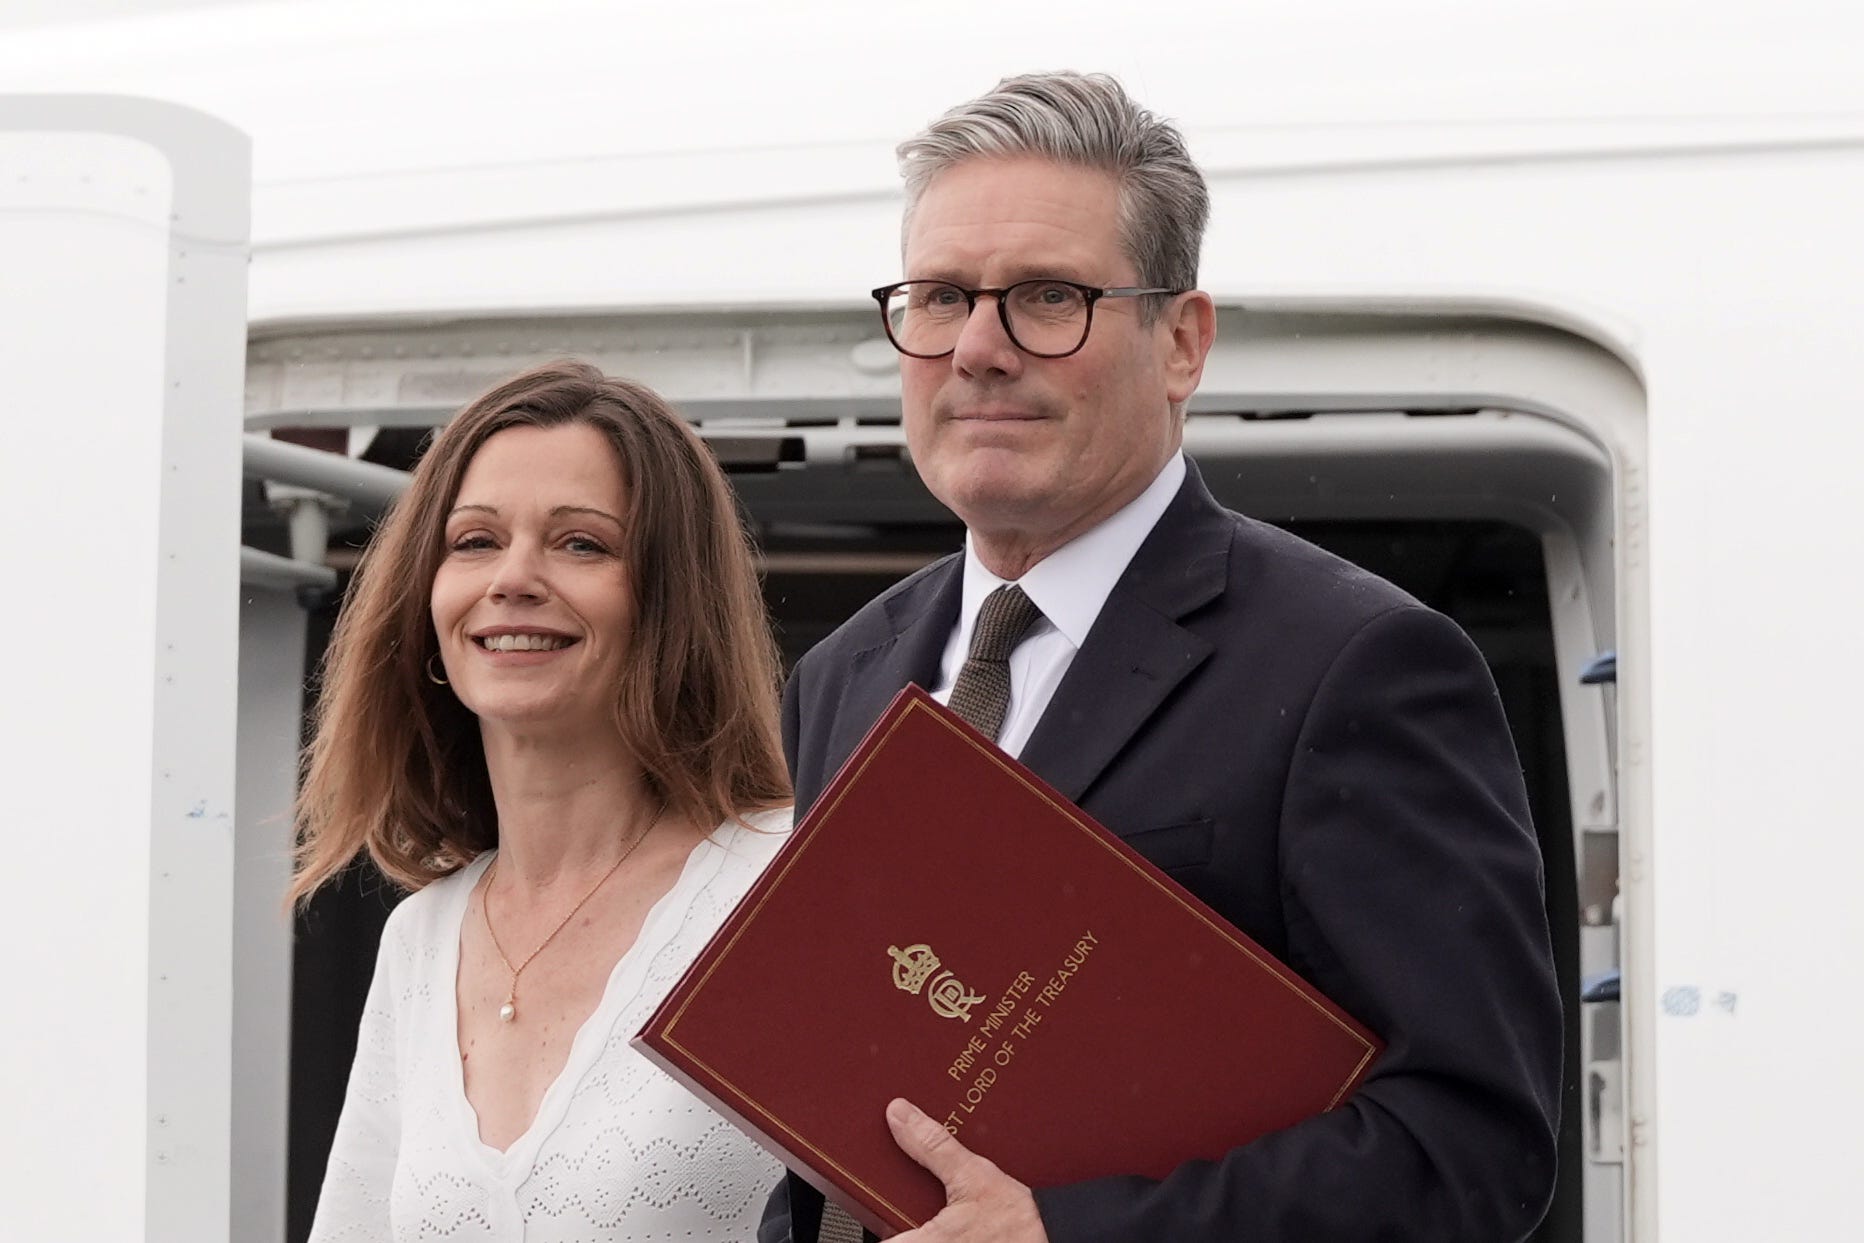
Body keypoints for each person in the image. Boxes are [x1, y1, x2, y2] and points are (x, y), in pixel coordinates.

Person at [763, 73, 1562, 1243]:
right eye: (938, 298)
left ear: (1182, 341)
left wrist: (1061, 1236)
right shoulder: (842, 674)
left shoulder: (1355, 664)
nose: (978, 349)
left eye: (1047, 297)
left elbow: (1469, 1150)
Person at [293, 360, 793, 1242]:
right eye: (475, 540)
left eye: (581, 543)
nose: (513, 578)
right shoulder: (421, 940)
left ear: (671, 604)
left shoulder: (784, 885)